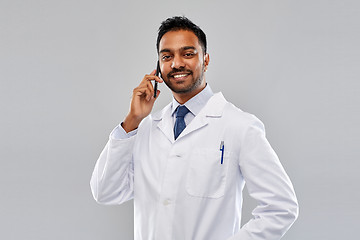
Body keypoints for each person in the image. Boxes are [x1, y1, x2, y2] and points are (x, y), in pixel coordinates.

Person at [90, 16, 298, 240]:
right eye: (166, 56)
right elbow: (105, 192)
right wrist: (132, 120)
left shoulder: (240, 126)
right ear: (158, 67)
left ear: (206, 60)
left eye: (188, 54)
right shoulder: (145, 128)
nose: (177, 63)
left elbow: (281, 207)